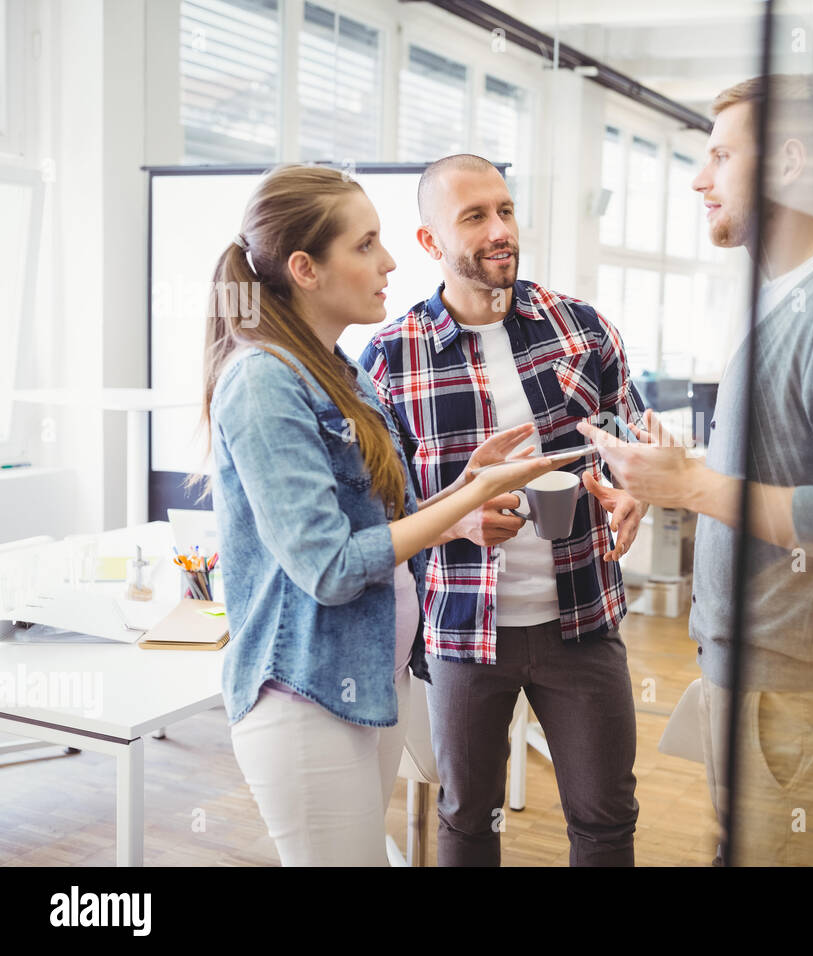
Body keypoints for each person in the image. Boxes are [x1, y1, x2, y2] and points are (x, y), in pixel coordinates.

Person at [579, 75, 813, 866]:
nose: (700, 180)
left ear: (788, 162)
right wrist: (666, 482)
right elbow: (790, 467)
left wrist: (692, 488)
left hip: (797, 690)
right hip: (763, 676)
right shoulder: (796, 299)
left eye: (720, 155)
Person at [196, 164, 571, 866]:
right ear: (305, 268)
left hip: (372, 678)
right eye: (366, 245)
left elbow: (376, 527)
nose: (390, 261)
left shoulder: (340, 371)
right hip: (304, 694)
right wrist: (462, 503)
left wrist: (460, 495)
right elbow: (331, 568)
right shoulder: (261, 382)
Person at [360, 154, 645, 866]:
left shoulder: (582, 328)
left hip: (582, 621)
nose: (500, 231)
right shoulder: (390, 358)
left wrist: (634, 487)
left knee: (606, 817)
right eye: (475, 216)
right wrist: (454, 514)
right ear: (430, 243)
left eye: (506, 210)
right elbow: (372, 507)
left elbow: (632, 438)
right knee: (466, 819)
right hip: (461, 631)